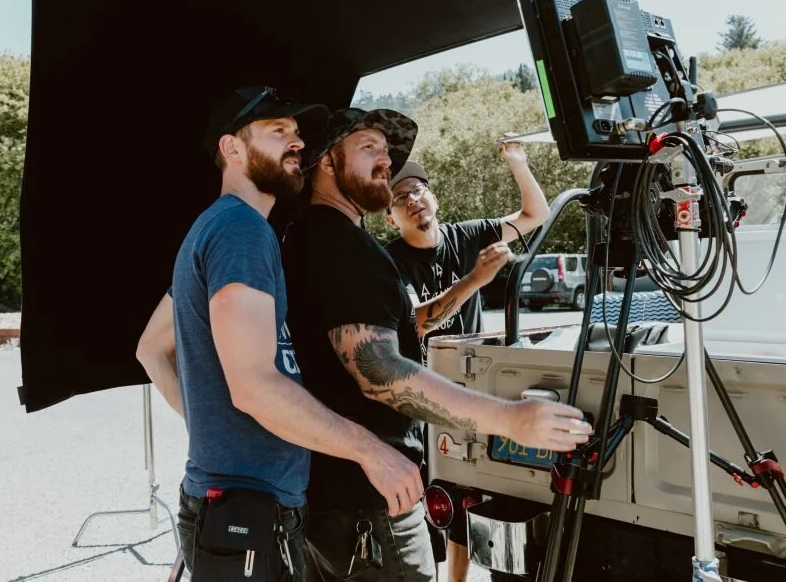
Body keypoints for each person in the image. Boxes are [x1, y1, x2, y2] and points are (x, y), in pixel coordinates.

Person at [281, 107, 591, 582]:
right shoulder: (344, 247)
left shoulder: (306, 236)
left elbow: (533, 213)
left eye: (387, 152)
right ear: (326, 162)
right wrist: (510, 419)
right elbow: (379, 372)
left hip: (326, 496)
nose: (385, 162)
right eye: (369, 149)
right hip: (368, 505)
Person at [135, 87, 423, 580]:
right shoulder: (240, 230)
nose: (296, 143)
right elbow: (253, 386)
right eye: (277, 131)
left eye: (296, 133)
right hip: (247, 514)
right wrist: (372, 451)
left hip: (244, 506)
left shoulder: (223, 228)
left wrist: (213, 426)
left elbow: (148, 348)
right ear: (231, 148)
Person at [384, 151, 550, 582]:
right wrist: (474, 280)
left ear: (434, 197)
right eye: (399, 196)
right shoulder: (388, 262)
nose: (412, 198)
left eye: (418, 189)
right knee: (426, 500)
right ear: (390, 219)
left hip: (469, 391)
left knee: (464, 491)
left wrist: (518, 162)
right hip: (417, 398)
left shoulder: (470, 235)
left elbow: (536, 213)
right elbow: (415, 322)